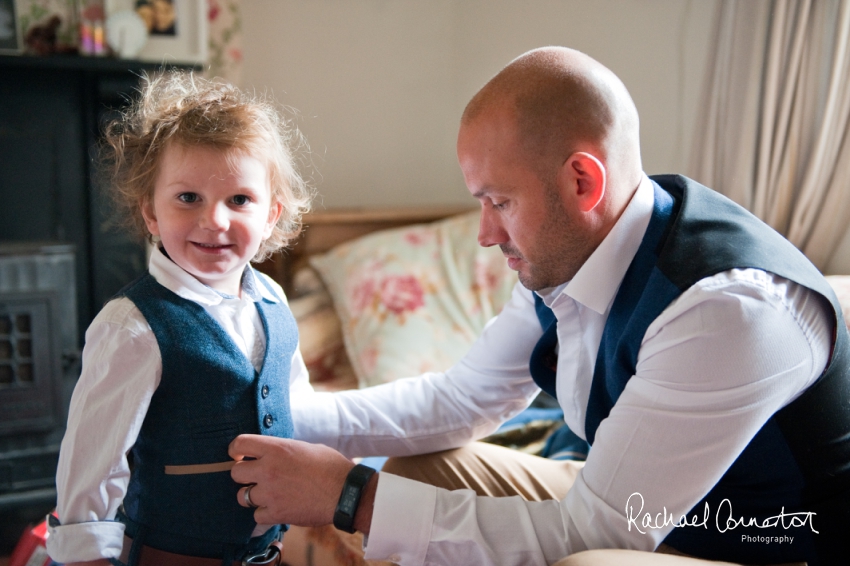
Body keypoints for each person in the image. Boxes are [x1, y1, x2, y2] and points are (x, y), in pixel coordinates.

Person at [227, 46, 850, 565]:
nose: (485, 233)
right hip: (654, 509)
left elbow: (601, 533)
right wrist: (278, 415)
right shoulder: (573, 257)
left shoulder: (726, 310)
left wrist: (347, 495)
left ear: (583, 182)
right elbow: (461, 400)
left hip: (774, 544)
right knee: (424, 469)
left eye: (499, 202)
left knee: (591, 563)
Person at [46, 72, 313, 566]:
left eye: (239, 200)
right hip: (172, 554)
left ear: (272, 215)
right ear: (151, 213)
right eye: (188, 198)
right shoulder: (133, 325)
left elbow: (294, 406)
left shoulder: (273, 301)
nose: (215, 221)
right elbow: (93, 461)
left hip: (266, 551)